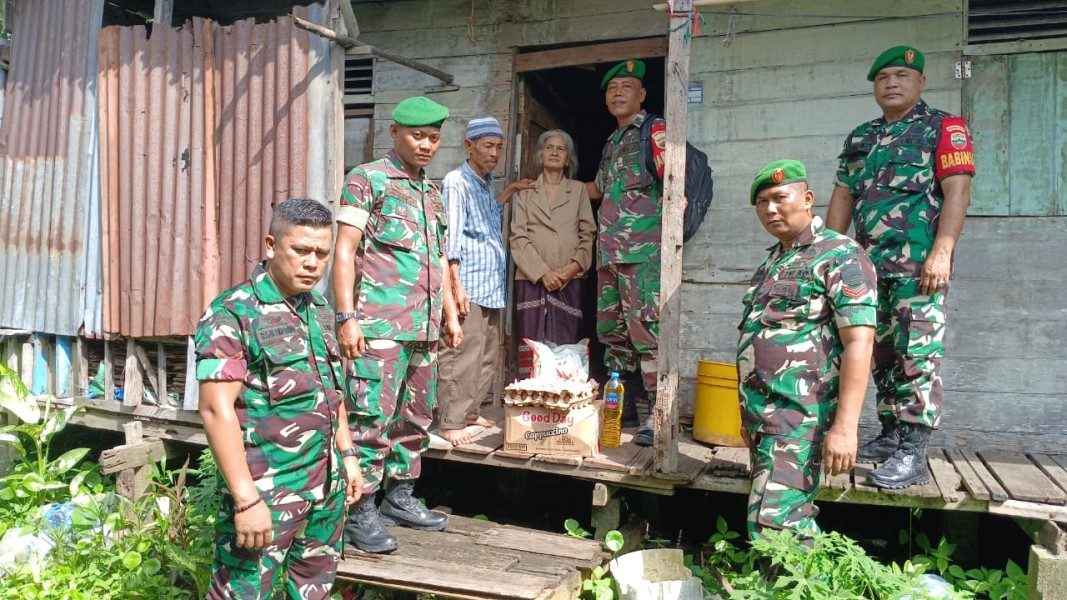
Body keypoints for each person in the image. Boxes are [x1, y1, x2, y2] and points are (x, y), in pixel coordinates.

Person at [195, 197, 363, 599]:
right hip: (268, 490)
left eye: (322, 254)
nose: (312, 263)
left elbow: (332, 391)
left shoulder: (320, 309)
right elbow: (216, 409)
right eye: (301, 250)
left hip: (326, 486)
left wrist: (348, 455)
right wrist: (245, 499)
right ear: (271, 245)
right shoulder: (233, 314)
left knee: (313, 591)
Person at [827, 46, 975, 489]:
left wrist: (942, 251)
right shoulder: (861, 137)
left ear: (920, 82)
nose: (891, 83)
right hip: (867, 268)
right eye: (883, 77)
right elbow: (842, 196)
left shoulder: (943, 128)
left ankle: (914, 450)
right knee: (881, 352)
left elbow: (957, 192)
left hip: (918, 267)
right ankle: (891, 434)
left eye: (902, 75)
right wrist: (829, 253)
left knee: (917, 353)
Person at [332, 96, 463, 554]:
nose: (426, 145)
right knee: (370, 418)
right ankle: (359, 509)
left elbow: (438, 259)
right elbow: (344, 250)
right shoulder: (367, 180)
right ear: (395, 133)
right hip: (379, 326)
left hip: (423, 328)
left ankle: (400, 497)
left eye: (433, 138)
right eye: (417, 136)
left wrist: (449, 314)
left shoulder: (432, 192)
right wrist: (346, 317)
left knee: (416, 417)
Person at [738, 160, 877, 540]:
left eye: (780, 198)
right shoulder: (774, 261)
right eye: (762, 202)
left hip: (800, 419)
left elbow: (859, 342)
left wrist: (845, 428)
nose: (770, 209)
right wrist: (748, 416)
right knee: (771, 524)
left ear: (808, 199)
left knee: (778, 529)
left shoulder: (840, 255)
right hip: (766, 419)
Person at [437, 115, 534, 446]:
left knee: (487, 355)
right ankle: (451, 422)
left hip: (490, 286)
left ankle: (469, 412)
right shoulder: (456, 182)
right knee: (462, 353)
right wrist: (455, 284)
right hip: (469, 284)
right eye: (488, 146)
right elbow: (451, 238)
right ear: (469, 146)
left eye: (499, 147)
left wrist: (510, 190)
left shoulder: (484, 182)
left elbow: (489, 216)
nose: (495, 153)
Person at [586, 59, 666, 447]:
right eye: (612, 88)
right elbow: (597, 189)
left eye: (627, 87)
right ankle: (627, 407)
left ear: (642, 94)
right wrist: (543, 185)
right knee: (612, 332)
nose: (618, 93)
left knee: (647, 332)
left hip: (643, 253)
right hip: (609, 253)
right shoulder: (611, 142)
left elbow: (674, 178)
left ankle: (656, 413)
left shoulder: (654, 131)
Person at [510, 129, 596, 356]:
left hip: (569, 279)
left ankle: (562, 380)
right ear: (540, 156)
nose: (554, 153)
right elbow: (518, 236)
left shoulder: (578, 190)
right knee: (532, 343)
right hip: (531, 278)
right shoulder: (526, 192)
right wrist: (542, 272)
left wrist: (574, 267)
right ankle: (533, 381)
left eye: (561, 149)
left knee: (566, 344)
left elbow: (588, 233)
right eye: (549, 148)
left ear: (568, 160)